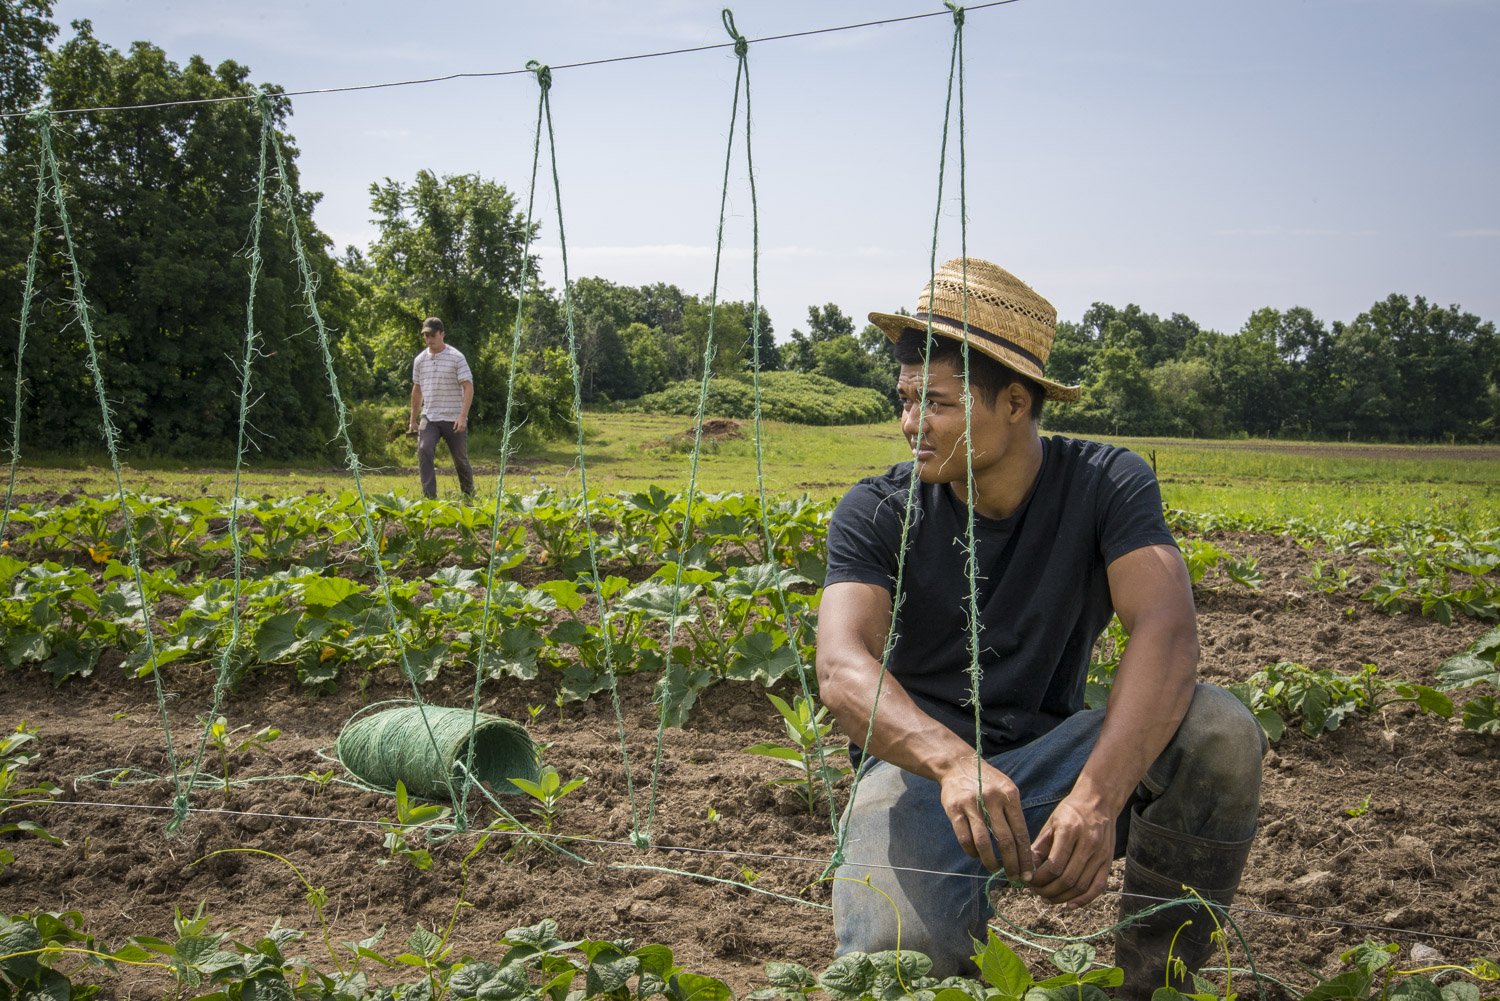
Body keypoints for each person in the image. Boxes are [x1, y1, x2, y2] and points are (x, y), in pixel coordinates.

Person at [815, 257, 1265, 997]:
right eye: (903, 400)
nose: (909, 425)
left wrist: (1096, 796)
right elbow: (841, 667)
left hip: (1060, 763)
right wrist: (953, 761)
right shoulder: (877, 508)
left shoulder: (1106, 483)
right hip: (922, 777)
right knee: (899, 965)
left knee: (1217, 730)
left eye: (937, 403)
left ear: (1016, 402)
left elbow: (1167, 631)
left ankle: (1152, 983)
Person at [408, 317, 475, 499]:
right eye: (426, 336)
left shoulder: (456, 357)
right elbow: (417, 389)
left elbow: (468, 387)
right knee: (424, 449)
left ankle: (469, 497)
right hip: (430, 416)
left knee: (460, 460)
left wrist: (463, 416)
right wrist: (413, 419)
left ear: (442, 334)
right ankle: (429, 498)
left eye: (432, 335)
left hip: (454, 417)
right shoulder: (420, 360)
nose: (429, 340)